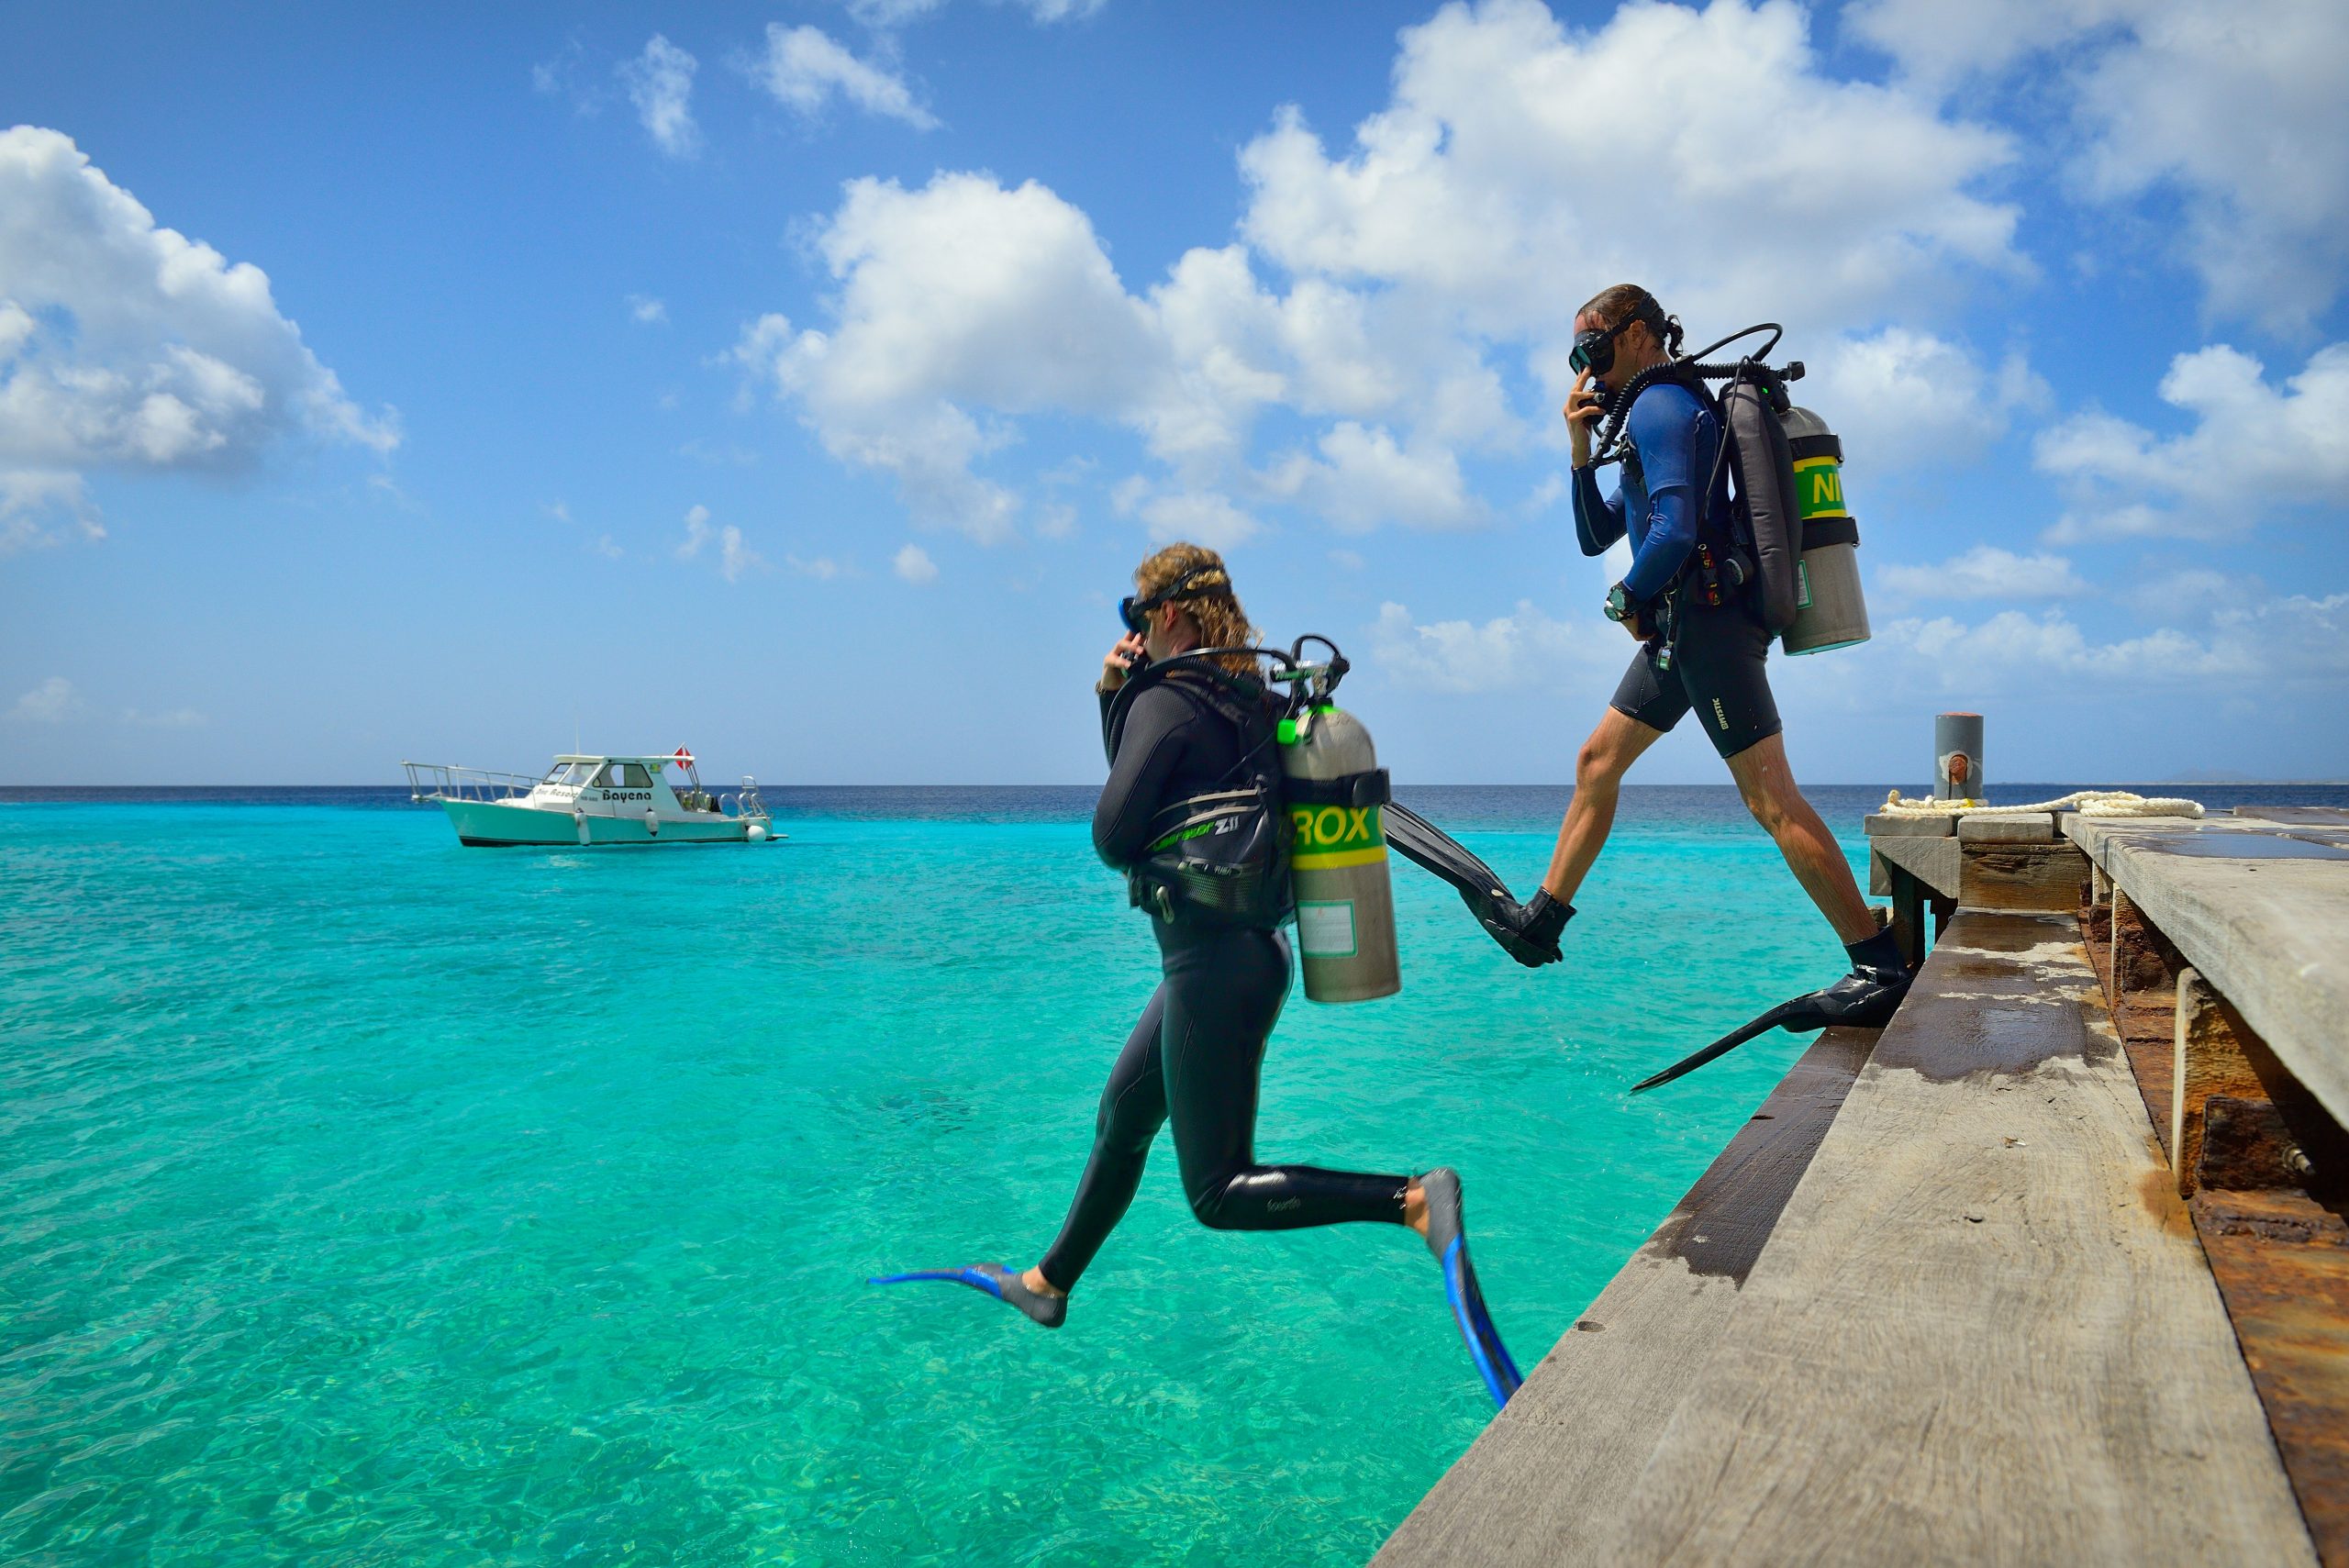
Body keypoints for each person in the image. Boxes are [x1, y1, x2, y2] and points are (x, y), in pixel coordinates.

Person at [872, 543, 1520, 1407]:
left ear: (1168, 613)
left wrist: (1122, 697)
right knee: (1122, 1115)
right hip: (1233, 959)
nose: (1135, 633)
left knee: (1217, 1190)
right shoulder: (1246, 698)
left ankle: (1411, 1198)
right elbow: (1157, 800)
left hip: (1213, 966)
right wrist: (1119, 699)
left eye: (1138, 616)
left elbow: (1114, 833)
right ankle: (1048, 1282)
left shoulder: (1169, 700)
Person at [1519, 284, 1907, 1024]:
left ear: (1638, 334)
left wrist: (1624, 598)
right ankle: (1544, 919)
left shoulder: (1663, 406)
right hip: (1681, 629)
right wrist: (1577, 455)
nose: (1585, 367)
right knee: (1596, 762)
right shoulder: (1646, 411)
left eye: (1592, 348)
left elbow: (1671, 530)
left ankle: (1878, 962)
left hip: (1707, 625)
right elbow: (1597, 533)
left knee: (1770, 798)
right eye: (1576, 354)